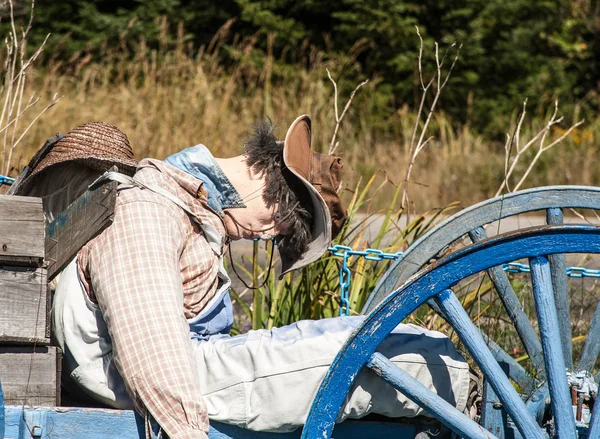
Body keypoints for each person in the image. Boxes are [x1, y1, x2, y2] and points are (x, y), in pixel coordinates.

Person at [21, 117, 470, 438]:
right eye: (281, 225)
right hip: (186, 377)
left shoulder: (179, 210)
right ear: (264, 181)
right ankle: (462, 388)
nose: (267, 235)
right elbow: (152, 357)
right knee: (369, 353)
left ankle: (453, 378)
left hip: (196, 365)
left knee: (368, 335)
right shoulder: (148, 211)